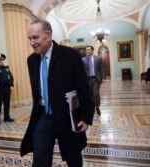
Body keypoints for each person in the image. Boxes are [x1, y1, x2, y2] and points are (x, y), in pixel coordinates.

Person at [20, 18, 95, 167]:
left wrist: (86, 117)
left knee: (73, 159)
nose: (31, 43)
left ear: (48, 36)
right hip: (42, 117)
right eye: (29, 38)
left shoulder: (70, 55)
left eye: (35, 37)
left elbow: (84, 88)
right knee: (40, 161)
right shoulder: (31, 60)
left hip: (67, 116)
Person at [82, 46, 105, 116]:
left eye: (88, 50)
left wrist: (103, 78)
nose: (87, 51)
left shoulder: (98, 58)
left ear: (92, 50)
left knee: (95, 93)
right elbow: (82, 71)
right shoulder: (83, 60)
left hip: (96, 79)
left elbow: (102, 68)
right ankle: (91, 108)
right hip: (88, 80)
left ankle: (97, 107)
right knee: (89, 95)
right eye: (86, 50)